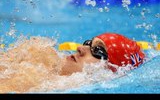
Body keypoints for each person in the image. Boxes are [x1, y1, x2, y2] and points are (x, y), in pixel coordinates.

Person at [0, 32, 145, 93]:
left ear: (110, 70)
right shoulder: (40, 57)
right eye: (88, 43)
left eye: (98, 51)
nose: (80, 48)